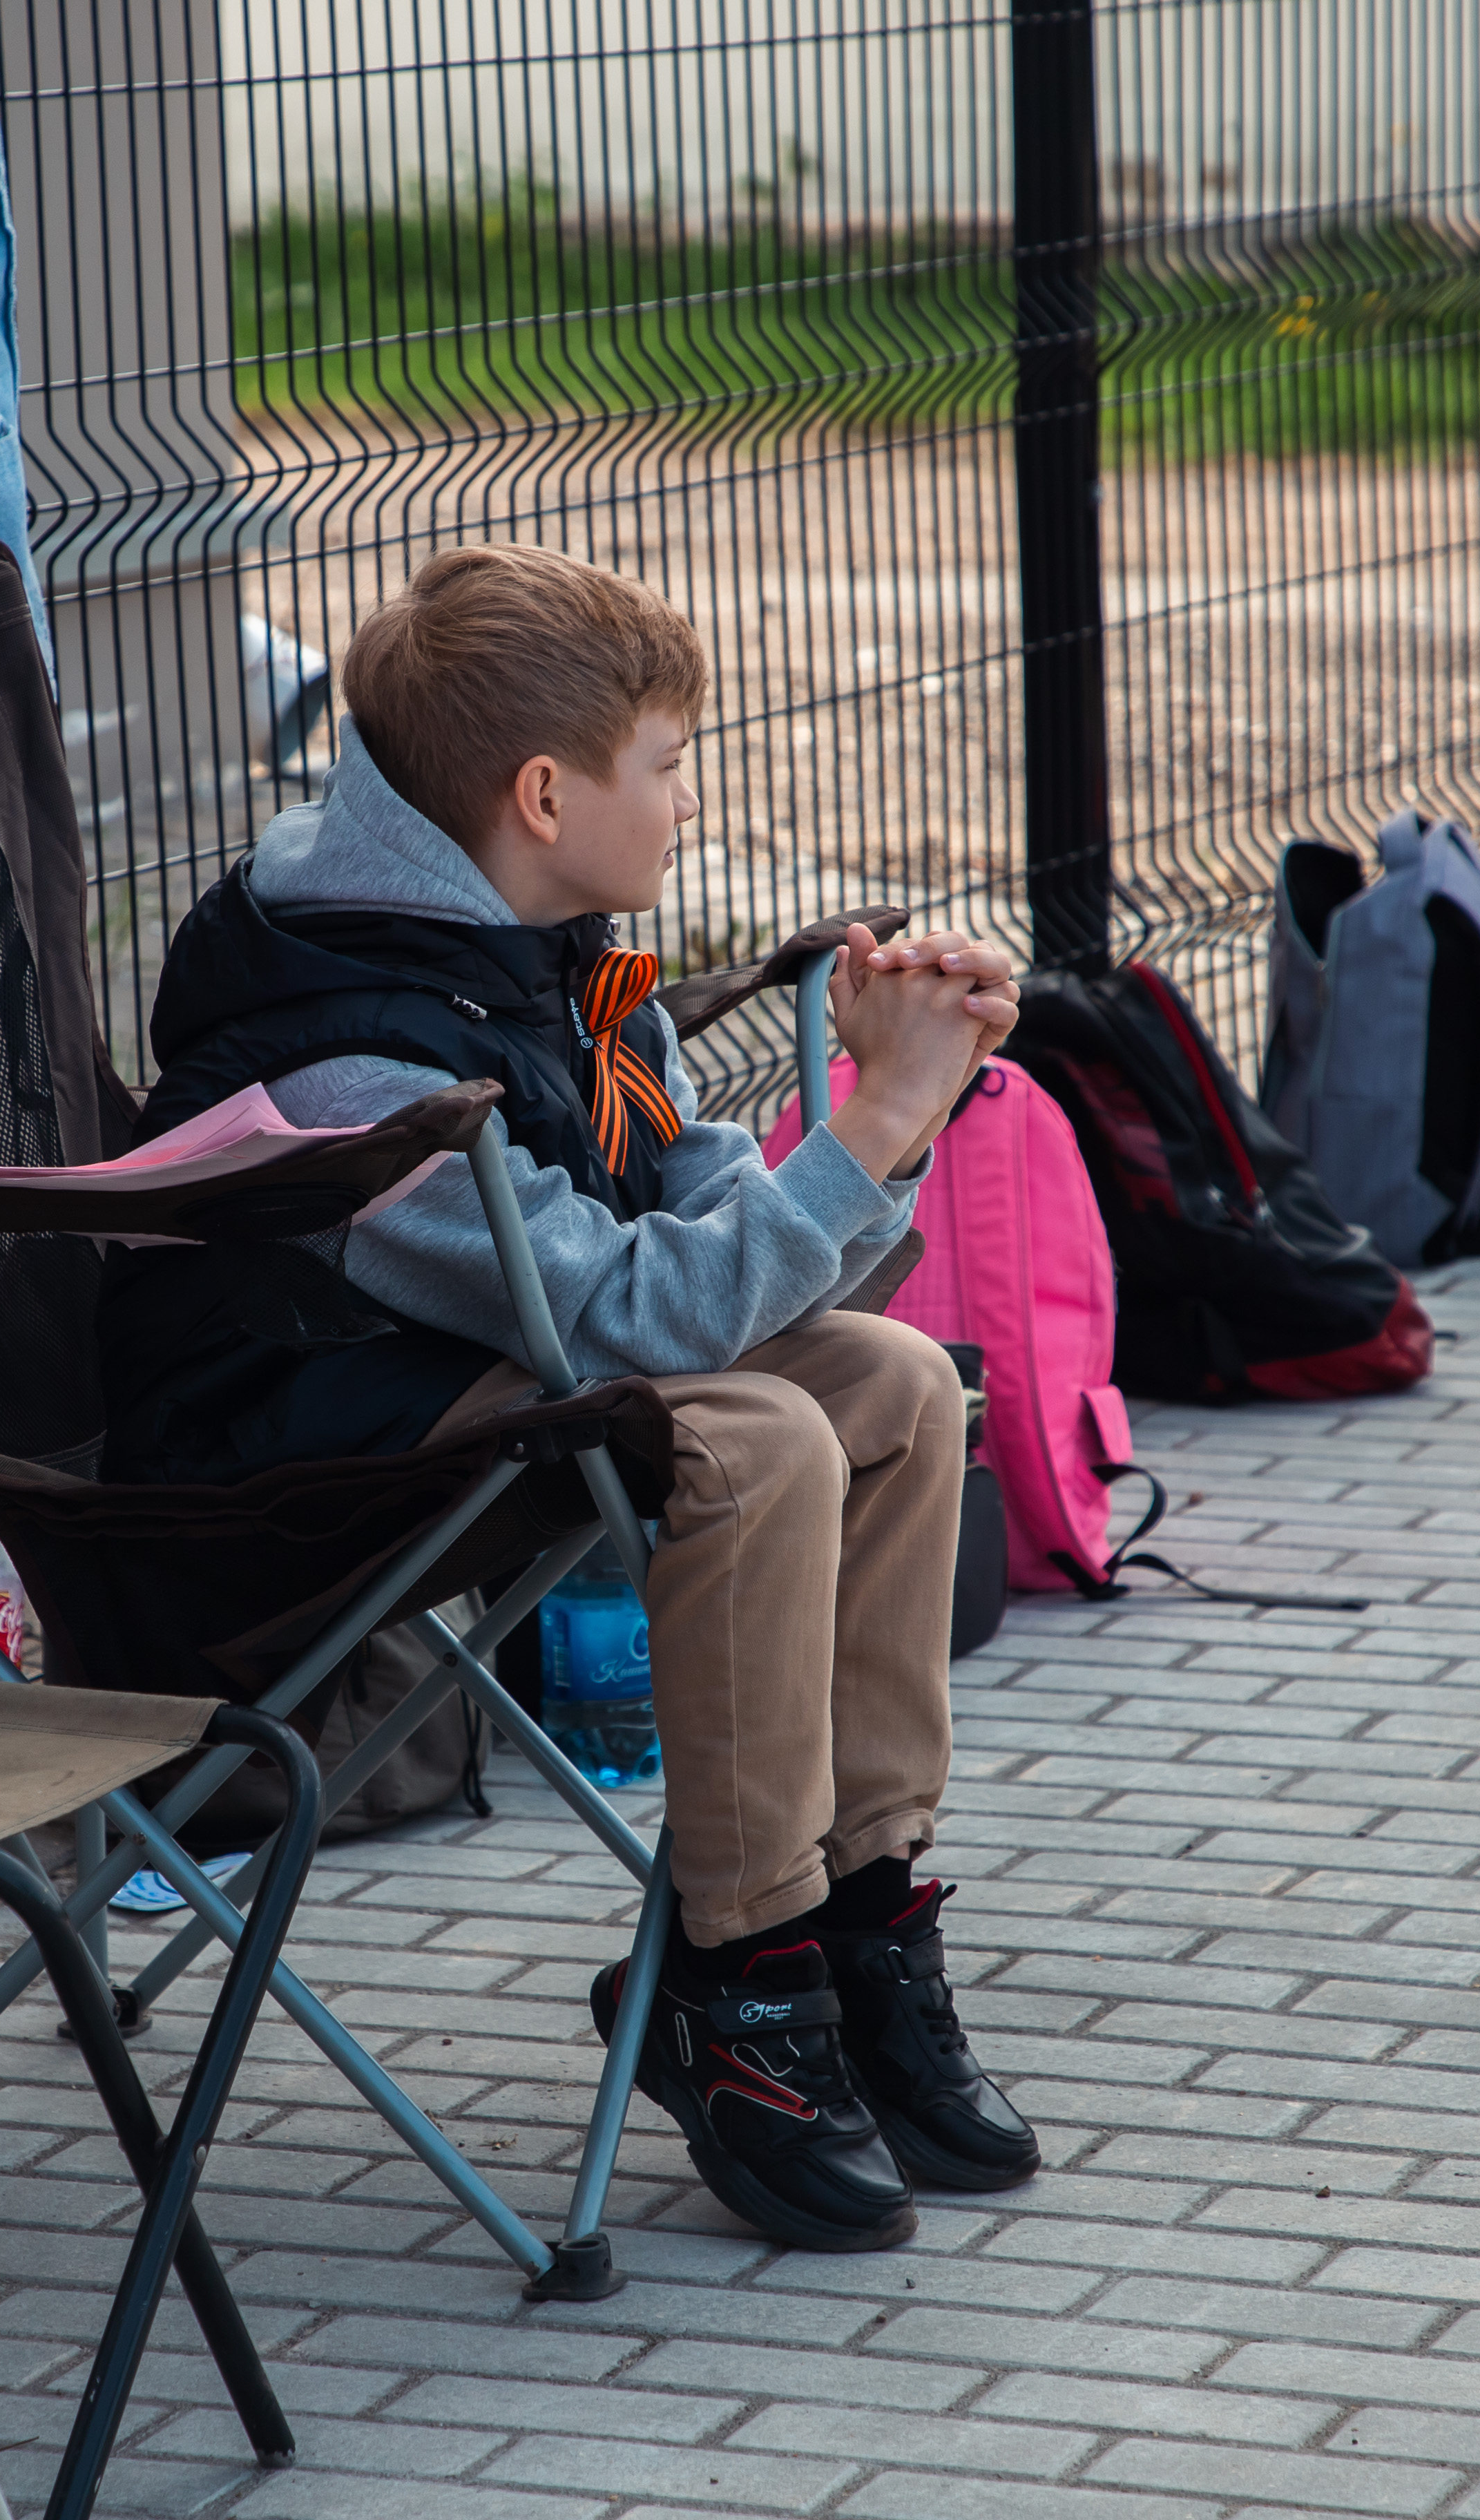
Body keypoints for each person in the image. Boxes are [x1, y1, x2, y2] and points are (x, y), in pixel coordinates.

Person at [99, 543, 1037, 2253]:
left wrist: (887, 1108)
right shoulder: (357, 1050)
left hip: (482, 1377)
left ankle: (859, 1913)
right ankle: (738, 1981)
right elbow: (641, 1320)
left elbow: (690, 1223)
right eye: (668, 764)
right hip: (292, 1452)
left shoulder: (534, 943)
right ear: (544, 795)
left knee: (897, 1382)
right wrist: (875, 1123)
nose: (689, 801)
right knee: (752, 1434)